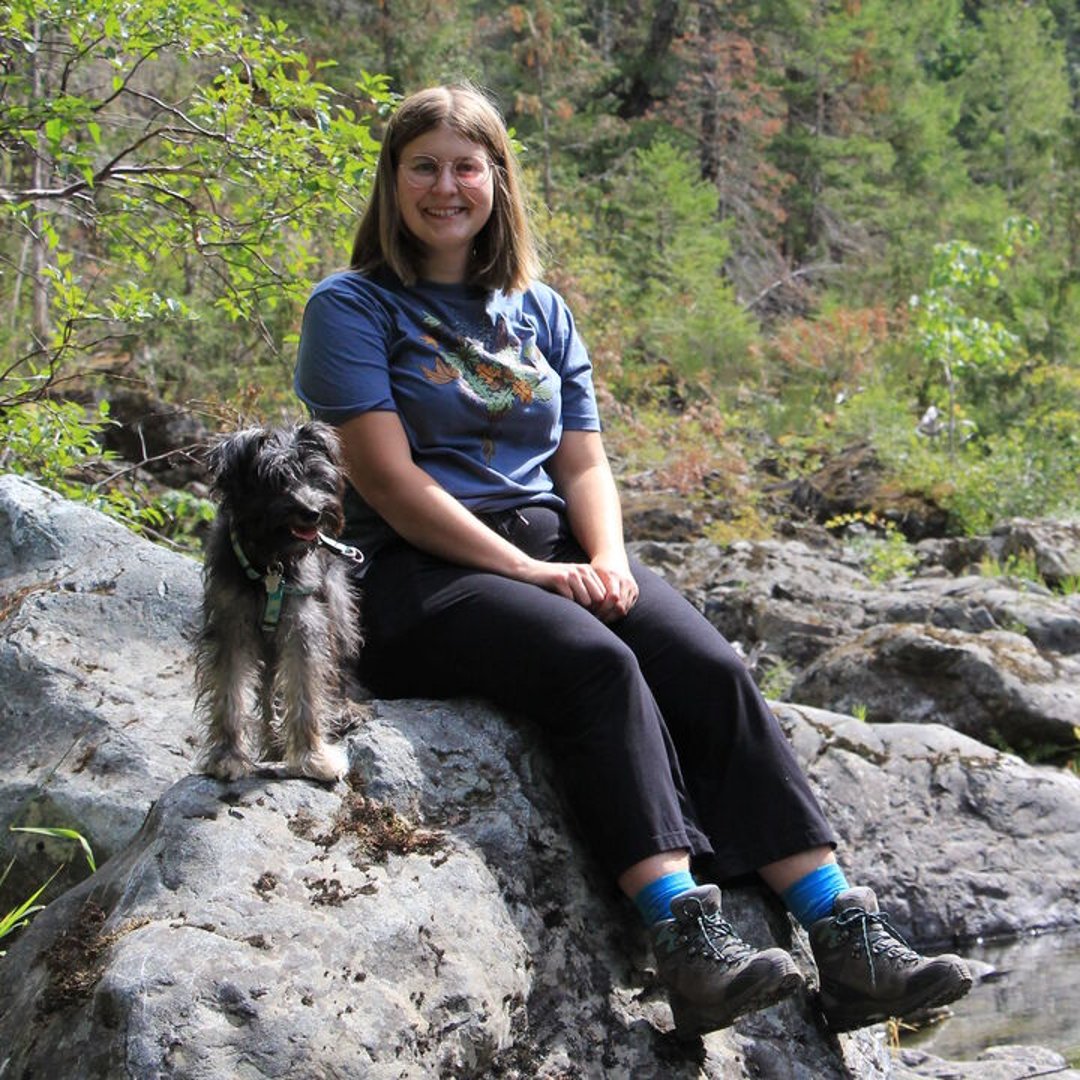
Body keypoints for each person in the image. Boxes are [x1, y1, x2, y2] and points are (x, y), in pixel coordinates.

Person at [294, 83, 972, 1037]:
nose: (446, 187)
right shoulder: (352, 306)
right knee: (594, 664)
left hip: (555, 549)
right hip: (411, 574)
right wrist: (532, 577)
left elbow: (583, 460)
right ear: (392, 181)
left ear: (497, 180)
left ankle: (841, 931)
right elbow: (390, 480)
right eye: (424, 166)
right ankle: (685, 941)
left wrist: (607, 557)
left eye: (465, 166)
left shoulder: (539, 311)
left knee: (710, 666)